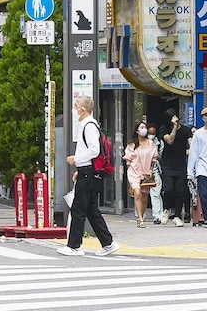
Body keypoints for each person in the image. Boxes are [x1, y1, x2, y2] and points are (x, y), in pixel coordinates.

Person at [58, 95, 119, 256]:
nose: (74, 108)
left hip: (88, 174)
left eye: (76, 105)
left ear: (82, 110)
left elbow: (94, 150)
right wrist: (80, 168)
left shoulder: (89, 126)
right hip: (88, 172)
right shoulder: (89, 125)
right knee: (91, 210)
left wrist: (75, 159)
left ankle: (74, 246)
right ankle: (108, 243)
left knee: (78, 209)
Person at [159, 106, 192, 226]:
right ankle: (167, 209)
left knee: (180, 190)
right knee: (168, 189)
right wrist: (174, 128)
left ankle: (178, 215)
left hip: (181, 164)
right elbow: (170, 140)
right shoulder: (164, 129)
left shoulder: (185, 130)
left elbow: (191, 145)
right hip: (168, 164)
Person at [123, 122, 157, 227]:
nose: (144, 129)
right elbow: (128, 161)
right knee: (137, 193)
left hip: (146, 173)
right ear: (137, 130)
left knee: (144, 197)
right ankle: (141, 219)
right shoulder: (131, 145)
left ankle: (140, 215)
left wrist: (151, 171)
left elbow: (154, 159)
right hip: (134, 171)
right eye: (141, 127)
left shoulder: (151, 144)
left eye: (145, 127)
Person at [146, 124, 166, 224]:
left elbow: (161, 157)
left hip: (155, 169)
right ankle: (140, 216)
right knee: (141, 194)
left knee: (156, 193)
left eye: (153, 133)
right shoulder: (141, 142)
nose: (151, 135)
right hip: (142, 170)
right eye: (149, 133)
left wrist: (156, 156)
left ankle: (158, 215)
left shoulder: (159, 143)